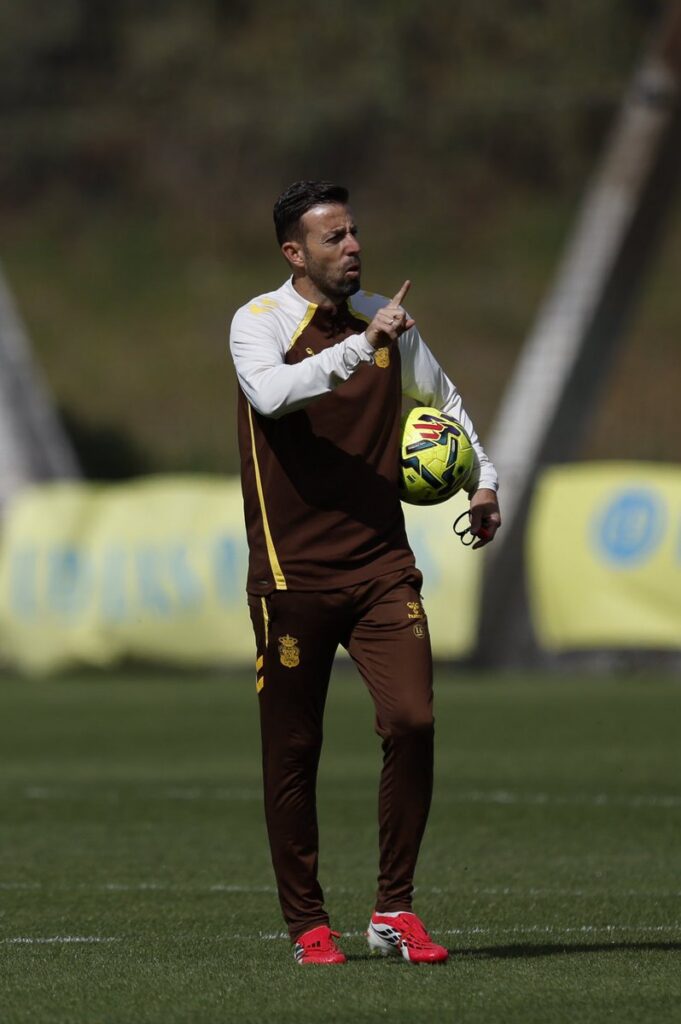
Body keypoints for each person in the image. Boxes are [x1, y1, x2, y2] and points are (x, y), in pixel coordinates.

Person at [229, 180, 500, 965]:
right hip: (292, 576)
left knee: (412, 720)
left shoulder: (389, 318)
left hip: (383, 567)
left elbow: (445, 403)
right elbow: (272, 395)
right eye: (332, 238)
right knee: (293, 752)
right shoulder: (258, 322)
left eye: (353, 234)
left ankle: (393, 910)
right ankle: (308, 926)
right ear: (294, 253)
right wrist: (364, 345)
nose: (351, 248)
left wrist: (484, 479)